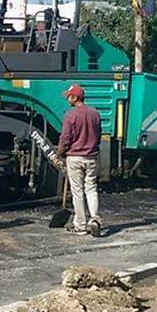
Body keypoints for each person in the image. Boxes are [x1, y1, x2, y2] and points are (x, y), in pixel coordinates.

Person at [57, 83, 104, 236]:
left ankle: (81, 225)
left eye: (69, 96)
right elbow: (98, 135)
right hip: (91, 156)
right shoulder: (95, 113)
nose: (67, 99)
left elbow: (65, 138)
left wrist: (59, 153)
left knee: (77, 192)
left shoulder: (70, 115)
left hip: (75, 157)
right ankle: (95, 219)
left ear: (75, 97)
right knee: (91, 188)